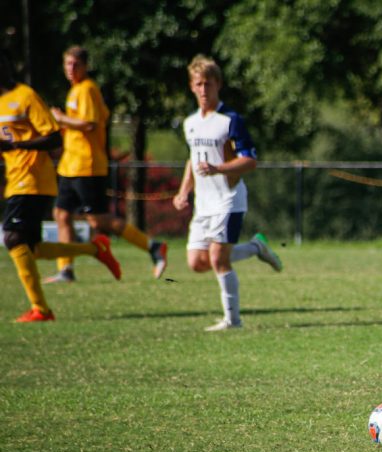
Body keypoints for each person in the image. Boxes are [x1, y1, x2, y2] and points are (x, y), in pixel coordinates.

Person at [0, 51, 121, 323]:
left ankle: (41, 309)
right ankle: (94, 249)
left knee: (12, 238)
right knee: (33, 249)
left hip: (33, 179)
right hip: (16, 178)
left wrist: (18, 146)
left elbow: (54, 137)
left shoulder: (25, 96)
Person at [172, 54, 283, 332]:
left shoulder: (230, 120)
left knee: (218, 259)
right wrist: (184, 190)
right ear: (191, 86)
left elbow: (250, 161)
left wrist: (219, 168)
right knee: (197, 263)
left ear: (218, 84)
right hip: (204, 203)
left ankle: (233, 321)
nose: (203, 89)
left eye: (208, 83)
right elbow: (193, 159)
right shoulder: (190, 123)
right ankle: (256, 247)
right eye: (198, 84)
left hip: (228, 200)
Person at [43, 46, 167, 283]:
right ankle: (66, 270)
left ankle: (154, 247)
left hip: (87, 165)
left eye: (75, 64)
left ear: (85, 66)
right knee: (61, 214)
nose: (71, 69)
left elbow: (89, 124)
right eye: (67, 64)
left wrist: (60, 118)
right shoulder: (75, 90)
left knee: (99, 220)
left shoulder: (88, 89)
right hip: (71, 165)